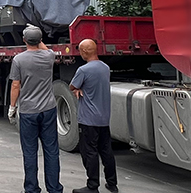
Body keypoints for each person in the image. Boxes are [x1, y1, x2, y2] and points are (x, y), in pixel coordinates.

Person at [8, 24, 63, 193]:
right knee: (51, 150)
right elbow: (45, 48)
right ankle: (54, 188)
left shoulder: (19, 60)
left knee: (30, 151)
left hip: (28, 111)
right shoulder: (49, 56)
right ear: (40, 40)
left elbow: (16, 85)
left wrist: (12, 107)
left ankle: (31, 189)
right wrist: (38, 36)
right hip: (48, 109)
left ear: (24, 40)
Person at [69, 38, 118, 193]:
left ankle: (92, 186)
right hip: (104, 118)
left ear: (84, 51)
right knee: (106, 151)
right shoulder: (105, 67)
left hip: (88, 119)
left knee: (89, 152)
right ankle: (112, 183)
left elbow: (72, 86)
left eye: (80, 51)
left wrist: (78, 88)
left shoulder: (83, 70)